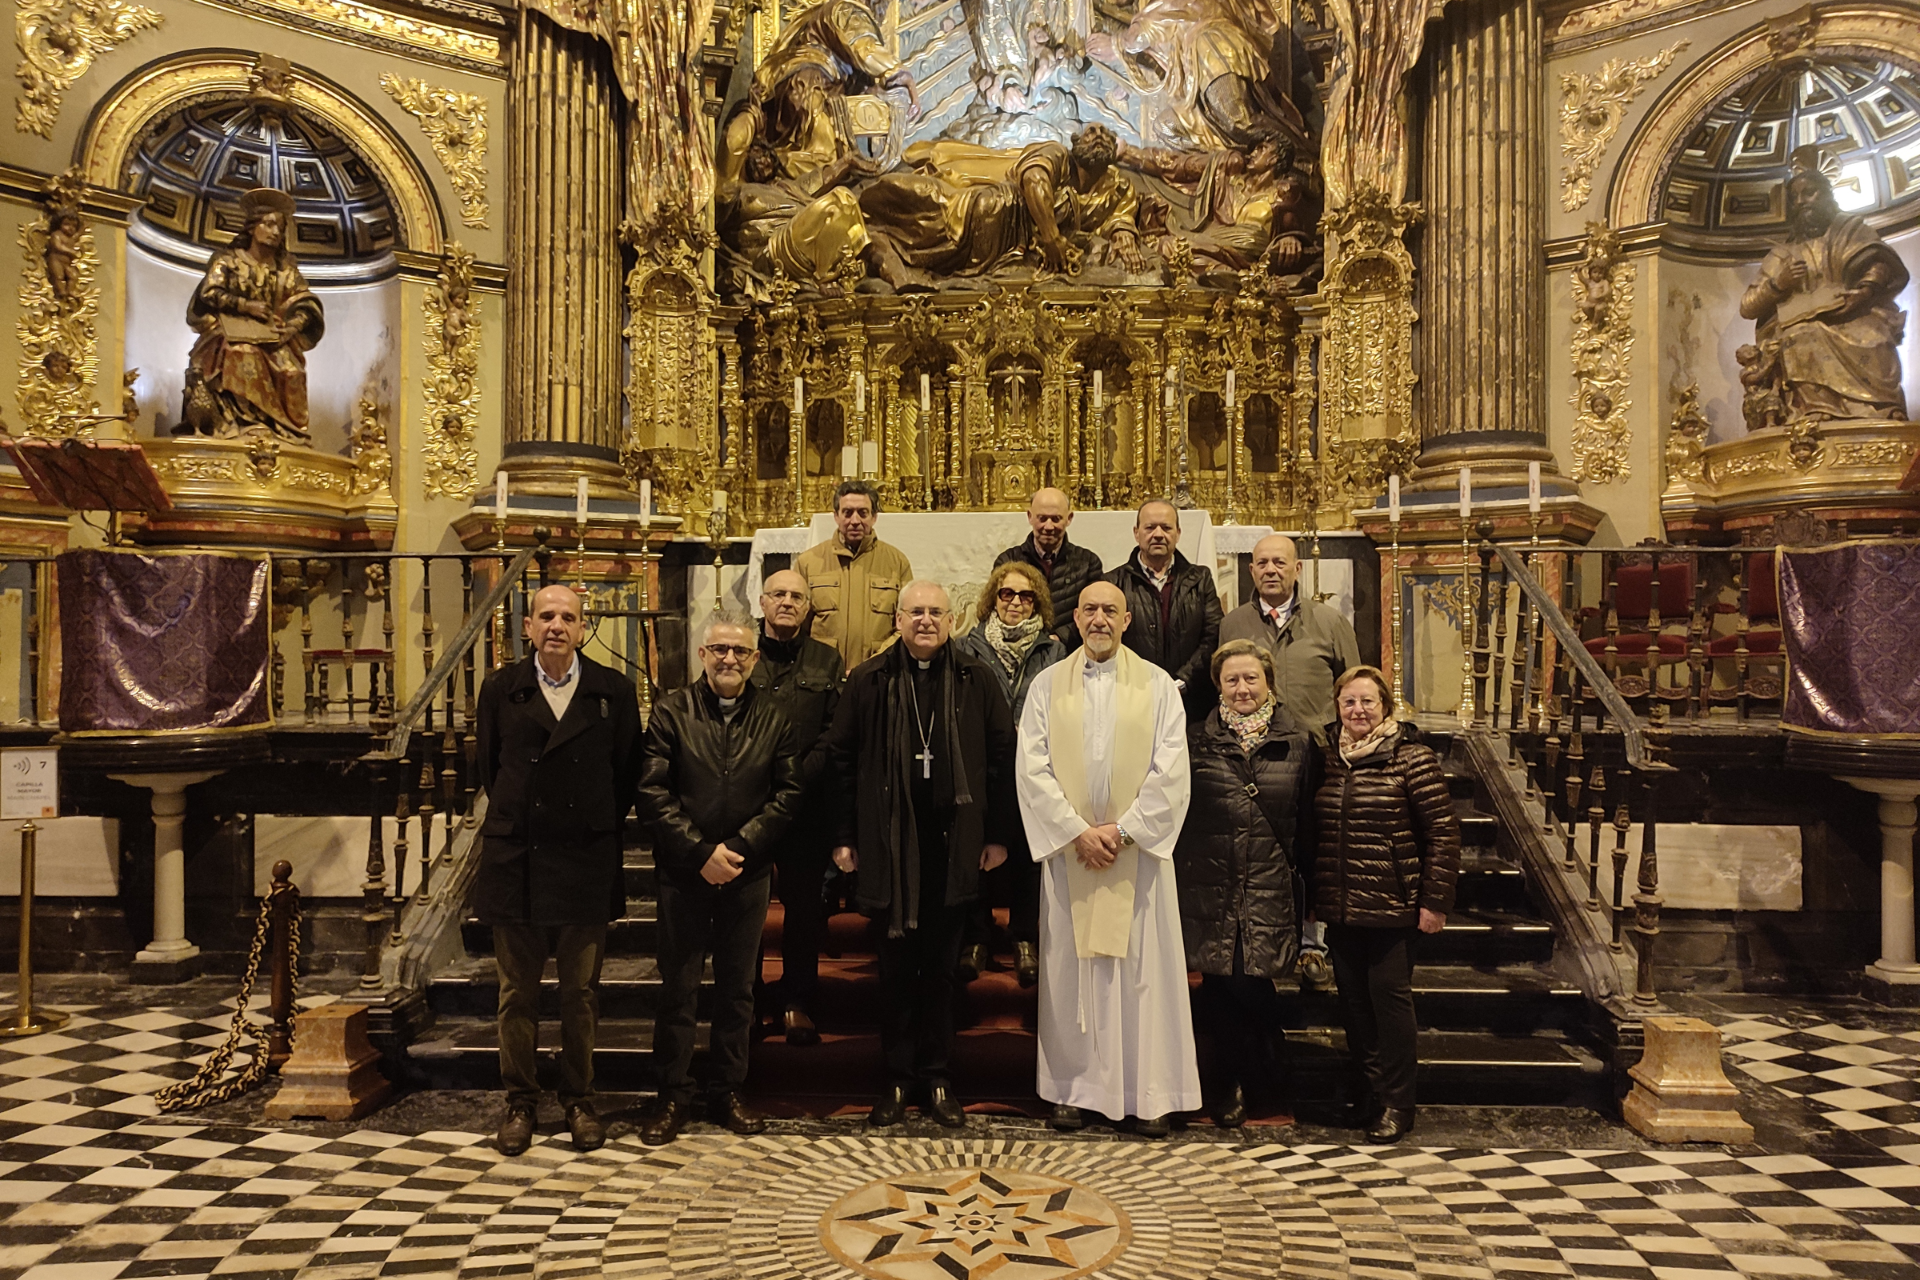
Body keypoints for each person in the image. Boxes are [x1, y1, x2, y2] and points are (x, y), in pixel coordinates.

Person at [823, 580, 1017, 1126]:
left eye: (935, 612)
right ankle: (897, 1079)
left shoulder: (977, 679)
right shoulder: (869, 679)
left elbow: (1003, 759)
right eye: (915, 613)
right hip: (887, 846)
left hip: (954, 845)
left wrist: (998, 834)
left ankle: (936, 1079)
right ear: (898, 620)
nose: (925, 621)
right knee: (895, 971)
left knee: (940, 971)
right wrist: (843, 837)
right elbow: (840, 762)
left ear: (951, 620)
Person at [1016, 580, 1200, 1138]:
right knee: (1073, 976)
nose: (1099, 619)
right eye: (1090, 609)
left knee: (1145, 975)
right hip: (1073, 855)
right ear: (1075, 618)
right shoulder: (1047, 685)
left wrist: (1123, 832)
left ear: (1126, 620)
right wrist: (1076, 831)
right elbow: (1032, 766)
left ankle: (1151, 1094)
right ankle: (1074, 1091)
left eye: (1110, 611)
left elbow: (1172, 767)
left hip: (1136, 856)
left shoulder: (1160, 686)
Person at [474, 584, 641, 1156]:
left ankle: (578, 1098)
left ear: (582, 627)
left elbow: (624, 775)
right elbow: (491, 772)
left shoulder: (613, 691)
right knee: (516, 992)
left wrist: (588, 826)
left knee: (581, 993)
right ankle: (520, 1101)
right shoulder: (501, 689)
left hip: (583, 860)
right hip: (517, 858)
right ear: (527, 626)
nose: (556, 626)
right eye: (546, 616)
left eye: (568, 617)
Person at [635, 613, 803, 1145]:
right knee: (678, 988)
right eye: (719, 649)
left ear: (755, 659)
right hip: (684, 874)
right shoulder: (670, 711)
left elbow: (789, 793)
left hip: (747, 874)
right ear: (702, 655)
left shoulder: (775, 715)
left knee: (737, 990)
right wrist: (699, 851)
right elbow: (652, 791)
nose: (730, 659)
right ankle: (671, 1094)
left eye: (740, 651)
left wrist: (740, 847)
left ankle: (728, 1089)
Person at [1311, 665, 1460, 1144]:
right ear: (1337, 708)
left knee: (1389, 1008)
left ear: (1385, 708)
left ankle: (1399, 1103)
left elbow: (1442, 832)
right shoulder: (1329, 759)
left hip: (1394, 906)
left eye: (1367, 702)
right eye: (1349, 702)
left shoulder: (1411, 758)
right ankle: (1372, 1095)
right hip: (1342, 905)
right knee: (1355, 1007)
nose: (1357, 711)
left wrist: (1434, 902)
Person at [1174, 639, 1314, 1128]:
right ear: (1218, 687)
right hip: (1209, 881)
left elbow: (1308, 821)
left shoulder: (1298, 743)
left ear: (1269, 682)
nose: (1241, 688)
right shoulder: (1194, 741)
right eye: (1231, 680)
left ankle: (1260, 1063)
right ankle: (1233, 1082)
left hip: (1268, 880)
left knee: (1252, 979)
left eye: (1251, 678)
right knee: (1218, 982)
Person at [1219, 532, 1358, 992]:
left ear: (1298, 569)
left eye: (1280, 562)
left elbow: (1349, 685)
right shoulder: (1233, 622)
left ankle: (1313, 945)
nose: (1271, 570)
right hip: (1254, 755)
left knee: (1310, 848)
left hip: (1313, 755)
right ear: (1251, 571)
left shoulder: (1330, 621)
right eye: (1262, 563)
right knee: (1264, 852)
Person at [953, 563, 1067, 987]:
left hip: (1038, 765)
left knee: (1028, 851)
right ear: (992, 599)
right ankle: (977, 937)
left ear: (1037, 601)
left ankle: (1025, 938)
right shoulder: (967, 647)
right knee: (976, 848)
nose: (1015, 602)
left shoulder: (1053, 651)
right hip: (984, 763)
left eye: (1025, 596)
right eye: (1006, 595)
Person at [1738, 154, 1910, 424]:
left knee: (1875, 335)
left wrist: (1864, 292)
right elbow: (1748, 306)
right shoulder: (1783, 254)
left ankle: (1882, 409)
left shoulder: (1852, 230)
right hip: (1802, 321)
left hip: (1856, 311)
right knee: (1801, 335)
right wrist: (1777, 284)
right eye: (1795, 198)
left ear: (1827, 195)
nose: (1801, 202)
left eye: (1809, 193)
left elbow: (1880, 264)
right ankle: (1818, 409)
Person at [750, 569, 844, 1044]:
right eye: (779, 595)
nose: (787, 602)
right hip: (746, 807)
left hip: (805, 808)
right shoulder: (740, 654)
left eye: (797, 596)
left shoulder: (826, 660)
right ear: (762, 602)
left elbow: (834, 733)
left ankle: (797, 999)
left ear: (808, 607)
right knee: (746, 908)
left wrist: (796, 779)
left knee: (805, 910)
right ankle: (745, 999)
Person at [182, 187, 325, 443]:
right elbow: (209, 292)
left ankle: (280, 432)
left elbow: (305, 304)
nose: (275, 232)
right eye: (269, 224)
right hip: (229, 332)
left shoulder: (285, 271)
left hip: (273, 338)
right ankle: (241, 425)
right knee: (242, 354)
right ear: (252, 227)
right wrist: (245, 306)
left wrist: (291, 329)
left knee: (292, 371)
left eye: (279, 228)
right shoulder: (228, 261)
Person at [1105, 498, 1222, 721]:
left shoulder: (1200, 578)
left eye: (1166, 528)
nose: (1158, 534)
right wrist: (1141, 683)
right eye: (1150, 527)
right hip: (1131, 698)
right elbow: (1108, 640)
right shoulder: (1114, 582)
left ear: (1177, 533)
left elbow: (1213, 635)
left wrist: (1181, 681)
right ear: (1136, 532)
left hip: (1192, 702)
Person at [794, 480, 914, 673]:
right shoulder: (808, 562)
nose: (855, 520)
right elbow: (798, 625)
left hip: (878, 673)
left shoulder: (897, 563)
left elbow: (906, 624)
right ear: (836, 516)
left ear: (874, 517)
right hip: (822, 673)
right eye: (847, 512)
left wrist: (873, 664)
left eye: (863, 513)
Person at [993, 487, 1106, 649]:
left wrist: (1060, 637)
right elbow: (997, 611)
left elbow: (1094, 613)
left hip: (1072, 651)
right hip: (1019, 652)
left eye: (1056, 519)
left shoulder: (1088, 563)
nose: (1048, 526)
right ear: (1030, 517)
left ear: (1069, 518)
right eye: (1042, 518)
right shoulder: (1007, 561)